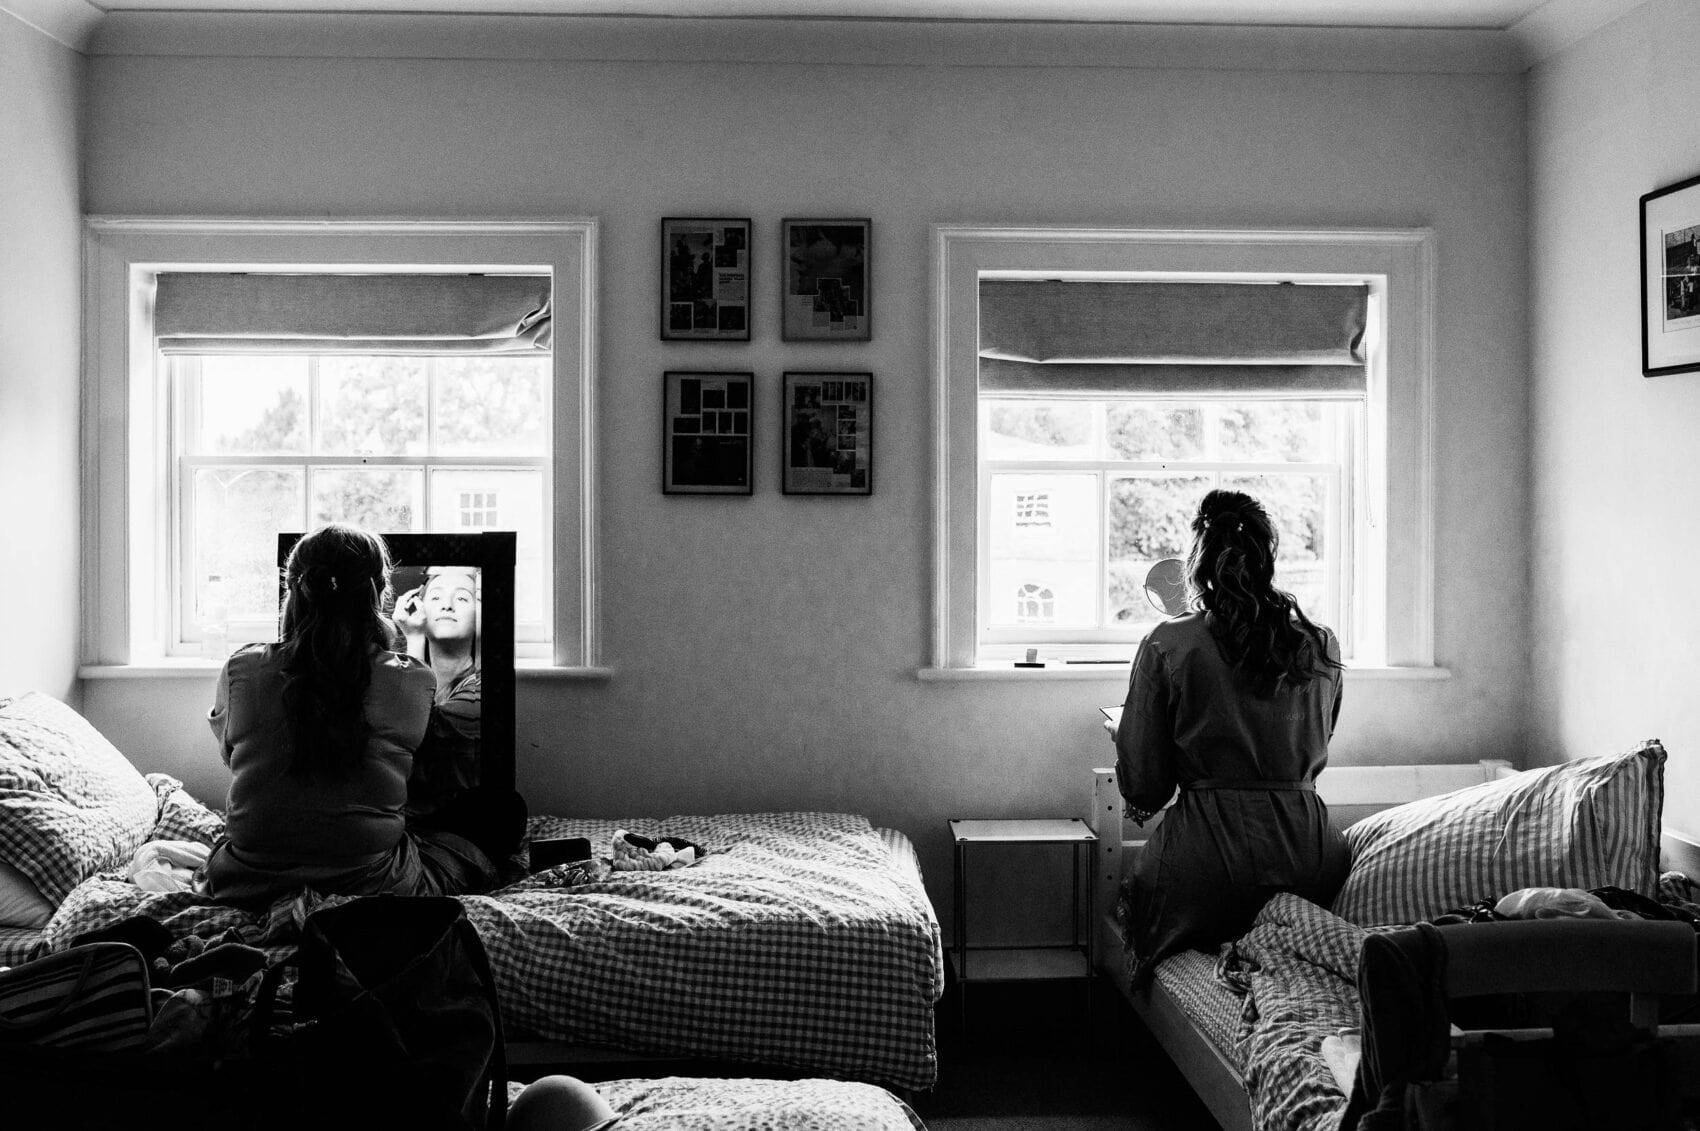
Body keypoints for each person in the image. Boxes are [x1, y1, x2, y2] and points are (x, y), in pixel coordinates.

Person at [203, 524, 520, 905]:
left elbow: (232, 756)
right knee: (503, 811)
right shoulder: (411, 679)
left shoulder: (241, 670)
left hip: (246, 882)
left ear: (294, 591)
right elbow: (425, 775)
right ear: (376, 594)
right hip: (371, 884)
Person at [1113, 489, 1349, 989]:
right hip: (1308, 863)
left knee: (1133, 901)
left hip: (1207, 867)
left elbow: (1145, 788)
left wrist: (1126, 735)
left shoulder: (1168, 642)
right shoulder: (1321, 644)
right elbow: (1318, 737)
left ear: (1198, 563)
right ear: (1268, 558)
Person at [393, 565, 482, 818]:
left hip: (450, 818)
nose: (447, 606)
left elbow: (417, 734)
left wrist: (415, 639)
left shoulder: (479, 690)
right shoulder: (394, 673)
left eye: (462, 597)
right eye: (436, 597)